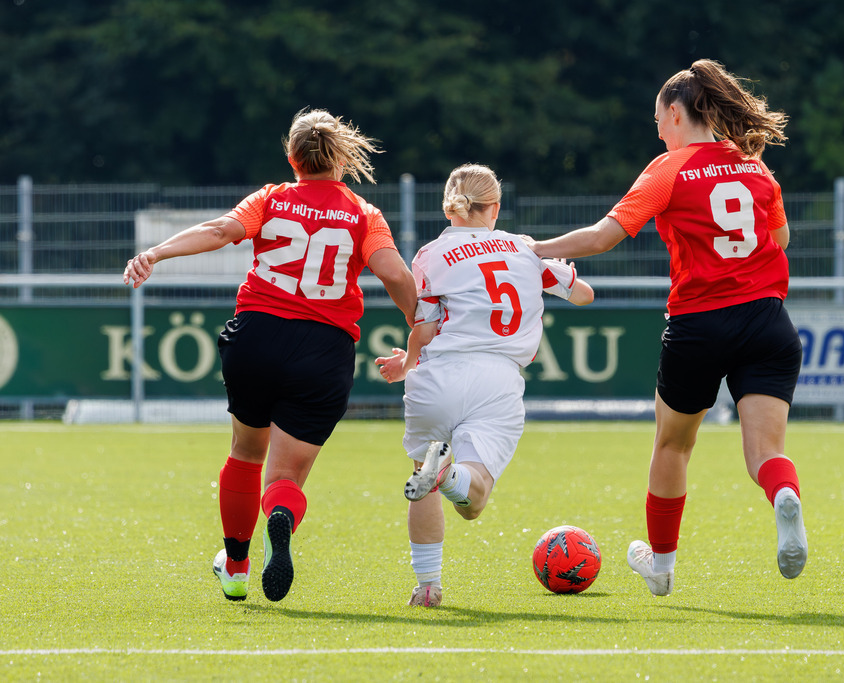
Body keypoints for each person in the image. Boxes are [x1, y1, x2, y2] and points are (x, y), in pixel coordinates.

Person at [529, 59, 807, 596]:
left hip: (700, 324)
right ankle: (783, 496)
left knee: (673, 447)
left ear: (676, 112)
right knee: (765, 454)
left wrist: (533, 248)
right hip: (769, 321)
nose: (657, 129)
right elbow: (783, 239)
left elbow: (603, 237)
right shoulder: (754, 165)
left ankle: (661, 566)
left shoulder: (668, 169)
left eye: (658, 118)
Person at [123, 108, 418, 602]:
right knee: (285, 477)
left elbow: (220, 231)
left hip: (256, 336)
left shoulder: (273, 198)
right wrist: (419, 328)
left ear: (291, 158)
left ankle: (235, 568)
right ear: (342, 162)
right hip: (324, 349)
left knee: (244, 453)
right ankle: (279, 518)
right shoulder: (363, 213)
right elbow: (392, 274)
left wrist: (156, 253)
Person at [374, 164, 594, 608]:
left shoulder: (432, 254)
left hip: (438, 376)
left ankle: (428, 586)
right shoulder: (525, 250)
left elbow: (425, 329)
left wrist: (406, 365)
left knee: (427, 479)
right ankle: (450, 473)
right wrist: (562, 271)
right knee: (473, 502)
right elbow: (585, 294)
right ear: (494, 207)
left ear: (448, 206)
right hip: (498, 380)